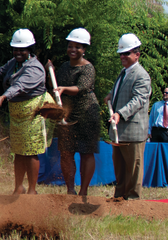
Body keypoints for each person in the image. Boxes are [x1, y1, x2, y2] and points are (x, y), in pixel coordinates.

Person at [0, 29, 52, 195]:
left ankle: (32, 190)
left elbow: (19, 86)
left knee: (31, 151)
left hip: (32, 113)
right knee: (18, 151)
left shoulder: (35, 68)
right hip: (17, 114)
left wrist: (3, 96)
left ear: (29, 49)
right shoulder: (14, 62)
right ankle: (18, 187)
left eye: (22, 50)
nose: (18, 52)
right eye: (15, 49)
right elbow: (1, 70)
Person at [54, 28, 101, 196]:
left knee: (86, 152)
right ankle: (70, 190)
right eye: (70, 46)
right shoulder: (64, 67)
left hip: (87, 115)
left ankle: (84, 191)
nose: (73, 49)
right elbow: (55, 86)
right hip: (67, 115)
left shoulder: (88, 68)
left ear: (84, 49)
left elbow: (82, 87)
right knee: (66, 152)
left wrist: (64, 89)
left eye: (77, 47)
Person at [105, 33, 151, 200]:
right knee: (120, 168)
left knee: (133, 170)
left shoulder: (141, 75)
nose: (122, 56)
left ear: (137, 54)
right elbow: (122, 92)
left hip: (133, 131)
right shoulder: (124, 72)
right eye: (121, 53)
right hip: (119, 130)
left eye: (126, 53)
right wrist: (111, 96)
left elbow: (138, 100)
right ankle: (119, 197)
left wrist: (120, 114)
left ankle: (132, 200)